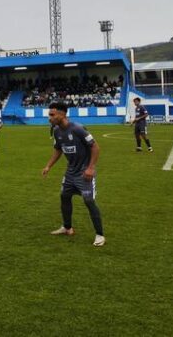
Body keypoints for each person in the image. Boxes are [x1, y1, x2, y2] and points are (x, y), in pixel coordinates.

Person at [41, 102, 105, 247]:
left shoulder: (78, 128)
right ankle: (67, 228)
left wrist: (91, 168)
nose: (49, 117)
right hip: (70, 173)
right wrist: (48, 166)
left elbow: (95, 147)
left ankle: (100, 235)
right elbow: (58, 149)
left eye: (52, 114)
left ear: (62, 114)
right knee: (64, 197)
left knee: (89, 201)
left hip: (84, 173)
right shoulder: (56, 130)